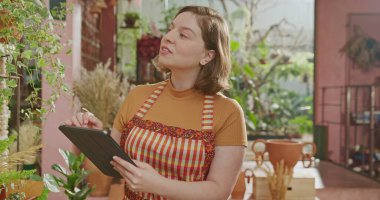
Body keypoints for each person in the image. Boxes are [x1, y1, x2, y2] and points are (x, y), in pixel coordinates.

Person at [65, 5, 247, 200]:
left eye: (183, 35)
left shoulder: (228, 112)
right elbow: (113, 166)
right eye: (171, 28)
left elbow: (219, 191)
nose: (168, 37)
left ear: (207, 56)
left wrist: (158, 185)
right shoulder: (138, 96)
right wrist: (93, 137)